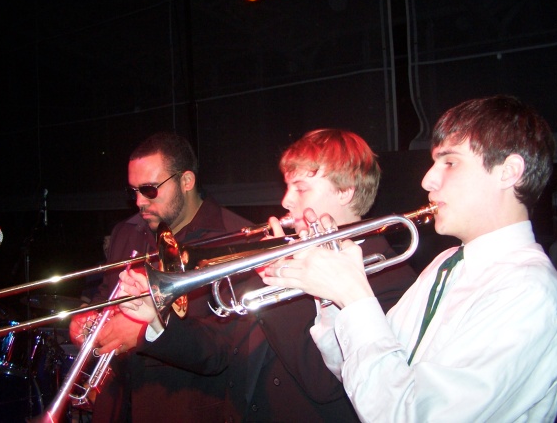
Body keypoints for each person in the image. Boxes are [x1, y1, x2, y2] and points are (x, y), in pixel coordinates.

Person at [262, 95, 557, 422]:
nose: (428, 180)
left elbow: (411, 415)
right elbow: (356, 370)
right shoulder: (445, 264)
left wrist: (354, 296)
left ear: (508, 172)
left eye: (450, 162)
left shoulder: (529, 291)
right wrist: (330, 295)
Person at [118, 128, 419, 421]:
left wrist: (279, 274)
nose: (286, 200)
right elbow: (216, 350)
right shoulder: (286, 254)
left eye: (301, 188)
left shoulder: (392, 279)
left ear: (345, 192)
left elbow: (327, 384)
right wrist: (157, 320)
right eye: (288, 187)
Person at [68, 131, 252, 422]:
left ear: (186, 181)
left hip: (181, 409)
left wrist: (144, 331)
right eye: (133, 191)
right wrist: (87, 318)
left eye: (149, 190)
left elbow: (222, 349)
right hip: (117, 406)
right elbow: (105, 295)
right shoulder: (126, 232)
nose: (139, 202)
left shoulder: (236, 240)